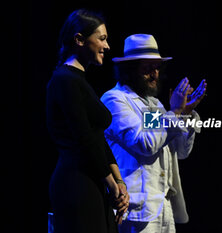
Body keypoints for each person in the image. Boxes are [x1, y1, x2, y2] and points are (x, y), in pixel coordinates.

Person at [101, 34, 207, 233]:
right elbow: (144, 143)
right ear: (130, 71)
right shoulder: (115, 100)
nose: (155, 74)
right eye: (147, 69)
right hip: (137, 210)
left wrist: (184, 114)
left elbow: (180, 151)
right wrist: (174, 112)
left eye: (157, 67)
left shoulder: (155, 105)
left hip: (164, 209)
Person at [46, 9, 129, 233]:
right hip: (77, 183)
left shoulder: (80, 81)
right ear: (80, 40)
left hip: (96, 182)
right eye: (102, 39)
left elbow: (97, 137)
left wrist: (119, 183)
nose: (107, 46)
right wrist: (112, 185)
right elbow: (84, 138)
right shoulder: (65, 80)